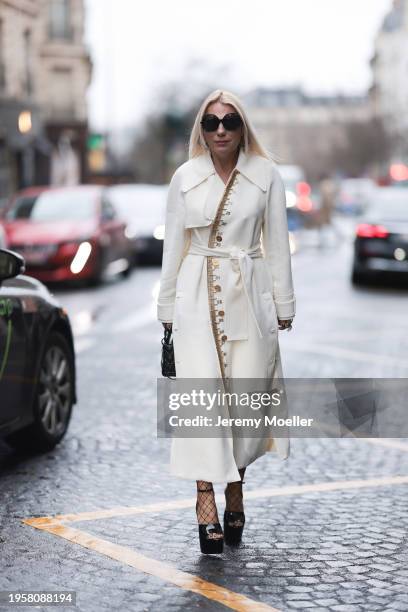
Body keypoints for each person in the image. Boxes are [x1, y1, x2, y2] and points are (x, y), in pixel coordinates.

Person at [157, 89, 295, 554]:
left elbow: (276, 242)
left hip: (248, 295)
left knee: (246, 402)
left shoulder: (266, 175)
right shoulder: (185, 177)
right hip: (195, 296)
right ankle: (205, 500)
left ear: (243, 127)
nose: (220, 130)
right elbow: (172, 247)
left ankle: (236, 485)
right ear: (201, 129)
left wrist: (283, 305)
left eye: (230, 121)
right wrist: (167, 311)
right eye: (211, 122)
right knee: (203, 403)